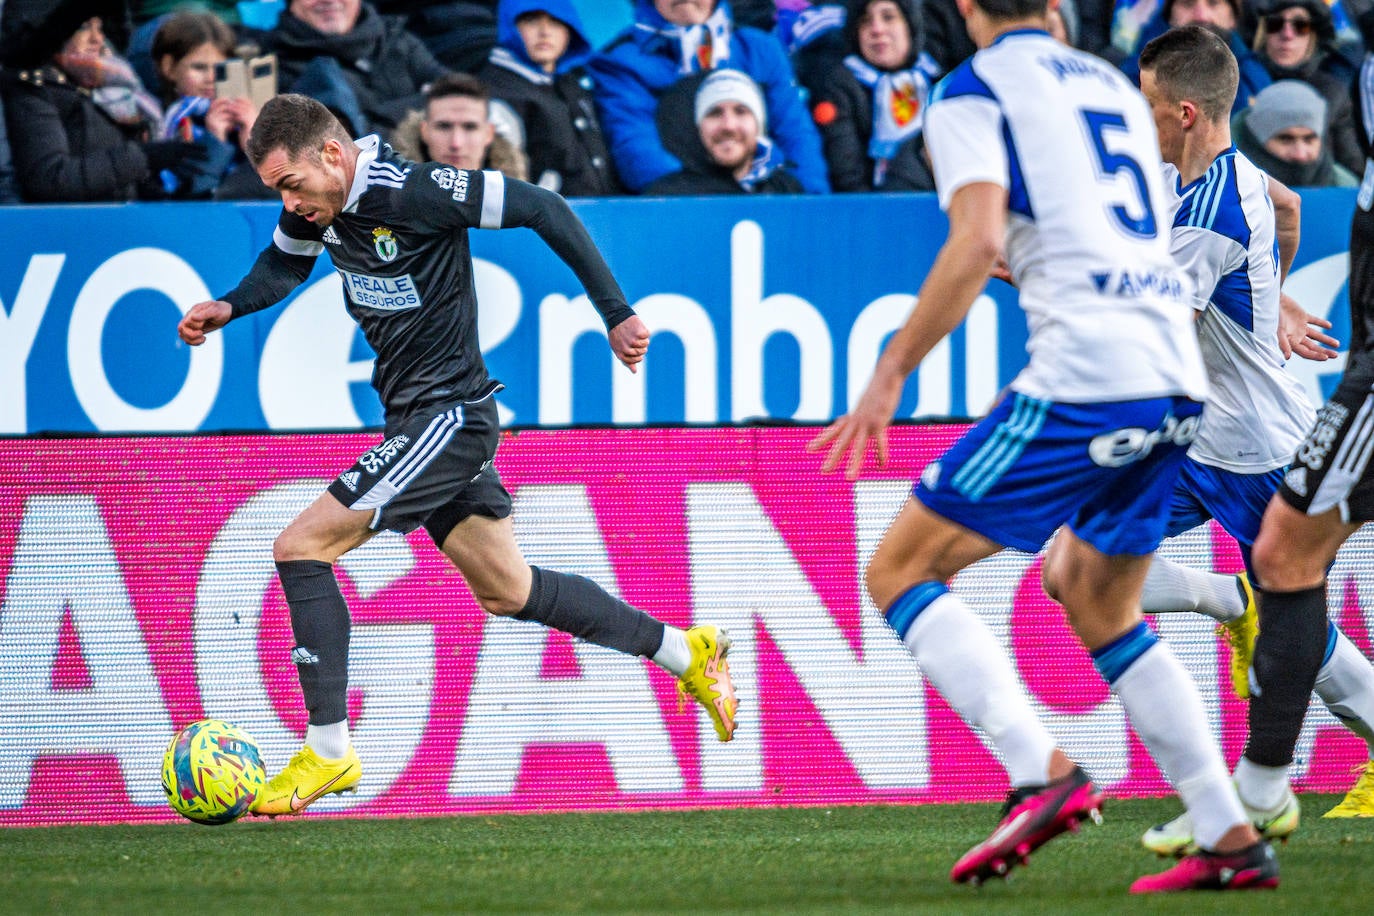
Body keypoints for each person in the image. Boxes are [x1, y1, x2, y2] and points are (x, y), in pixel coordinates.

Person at [810, 0, 1278, 893]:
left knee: (899, 571)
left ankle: (1042, 772)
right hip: (1176, 373)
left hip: (1089, 372)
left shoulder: (972, 88)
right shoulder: (1106, 81)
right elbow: (1110, 236)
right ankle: (1228, 836)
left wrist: (891, 370)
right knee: (1094, 600)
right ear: (1054, 9)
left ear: (966, 10)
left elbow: (976, 236)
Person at [174, 93, 739, 815]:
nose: (291, 204)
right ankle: (685, 653)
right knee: (510, 589)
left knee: (301, 547)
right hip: (415, 421)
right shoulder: (323, 204)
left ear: (333, 156)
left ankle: (327, 751)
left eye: (291, 185)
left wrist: (615, 311)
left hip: (449, 420)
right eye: (277, 192)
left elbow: (543, 207)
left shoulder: (413, 190)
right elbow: (283, 268)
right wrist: (230, 305)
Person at [1133, 24, 1374, 853]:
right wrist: (1275, 305)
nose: (1142, 121)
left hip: (1255, 449)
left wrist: (1023, 264)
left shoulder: (1204, 216)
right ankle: (1229, 604)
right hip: (1202, 443)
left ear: (1188, 112)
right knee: (1076, 568)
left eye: (1150, 107)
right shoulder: (1219, 170)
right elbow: (1290, 205)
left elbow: (1145, 331)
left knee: (1298, 611)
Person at [590, 0, 831, 194]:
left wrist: (809, 207)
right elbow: (637, 150)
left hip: (768, 201)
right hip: (682, 213)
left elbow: (796, 136)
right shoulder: (621, 61)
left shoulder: (759, 47)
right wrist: (718, 202)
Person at [1, 7, 211, 202]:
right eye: (83, 27)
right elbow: (50, 178)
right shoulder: (34, 87)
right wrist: (142, 156)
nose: (96, 39)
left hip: (116, 227)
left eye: (99, 27)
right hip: (65, 232)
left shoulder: (117, 84)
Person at [477, 0, 621, 196]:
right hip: (539, 222)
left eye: (556, 21)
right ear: (509, 25)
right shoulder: (495, 93)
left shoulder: (573, 84)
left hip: (600, 217)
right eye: (531, 20)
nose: (545, 31)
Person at [249, 0, 448, 139]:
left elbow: (455, 96)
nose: (328, 1)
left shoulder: (396, 38)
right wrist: (420, 103)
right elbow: (342, 138)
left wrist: (368, 119)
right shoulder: (271, 62)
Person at [807, 0, 939, 192]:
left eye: (888, 17)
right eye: (865, 21)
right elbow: (846, 173)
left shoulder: (938, 81)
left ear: (910, 26)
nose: (877, 29)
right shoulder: (838, 86)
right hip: (871, 209)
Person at [150, 10, 270, 199]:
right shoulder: (172, 119)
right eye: (199, 67)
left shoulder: (245, 113)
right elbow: (186, 192)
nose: (211, 78)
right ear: (169, 67)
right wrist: (214, 140)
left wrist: (254, 139)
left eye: (220, 70)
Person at [644, 67, 804, 192]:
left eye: (741, 111)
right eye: (715, 113)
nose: (728, 125)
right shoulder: (668, 198)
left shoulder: (787, 190)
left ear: (758, 125)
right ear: (698, 127)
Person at [1251, 0, 1362, 174]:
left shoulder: (1334, 92)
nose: (1287, 34)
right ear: (1263, 33)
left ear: (1313, 35)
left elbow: (1353, 165)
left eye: (1300, 26)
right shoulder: (1240, 83)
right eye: (1275, 24)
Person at [1120, 0, 1271, 111]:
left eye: (1213, 3)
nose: (1201, 16)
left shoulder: (1255, 79)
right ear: (1170, 16)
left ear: (1233, 17)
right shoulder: (1132, 78)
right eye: (1187, 4)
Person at [390, 72, 528, 178]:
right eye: (444, 126)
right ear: (424, 131)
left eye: (470, 127)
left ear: (489, 134)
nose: (456, 143)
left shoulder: (520, 208)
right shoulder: (387, 203)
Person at [1234, 78, 1360, 186]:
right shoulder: (1227, 187)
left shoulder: (1345, 187)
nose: (1300, 154)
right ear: (1255, 139)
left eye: (1309, 140)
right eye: (1285, 139)